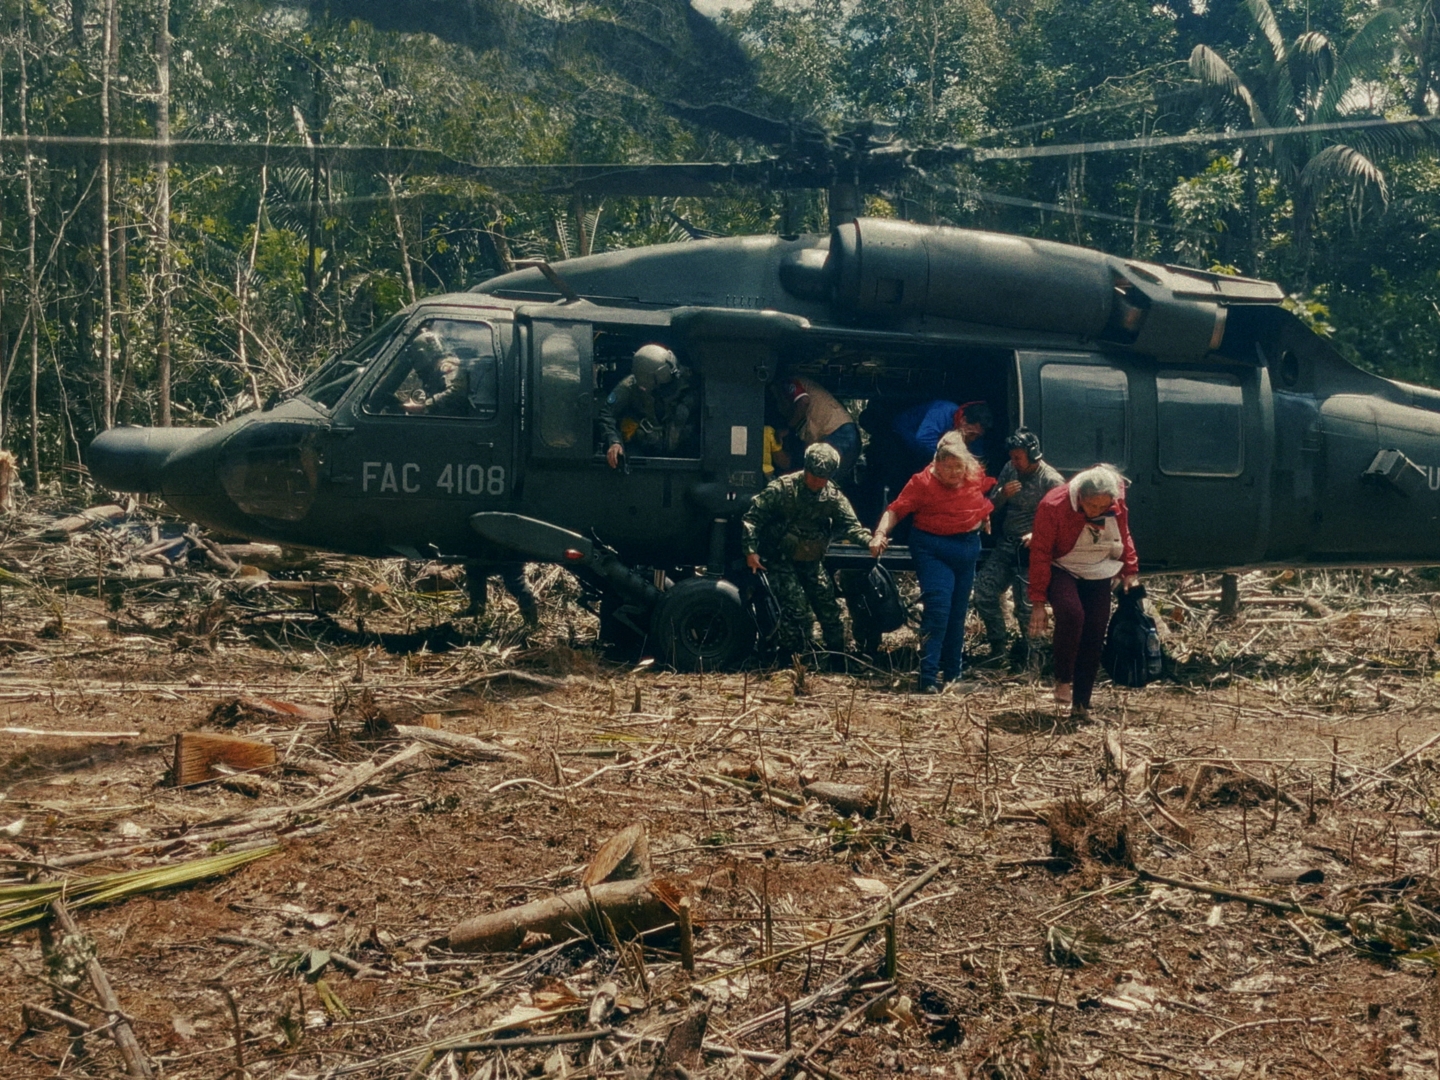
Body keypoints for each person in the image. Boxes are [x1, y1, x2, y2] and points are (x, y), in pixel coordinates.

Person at [869, 431, 995, 694]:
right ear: (936, 464)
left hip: (967, 548)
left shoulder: (974, 475)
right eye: (946, 467)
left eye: (958, 467)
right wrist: (880, 534)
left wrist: (984, 518)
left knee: (958, 613)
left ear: (967, 465)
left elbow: (979, 499)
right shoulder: (922, 483)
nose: (952, 473)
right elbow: (896, 509)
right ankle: (927, 677)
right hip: (933, 547)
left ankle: (953, 676)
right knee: (939, 609)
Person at [742, 442, 872, 670]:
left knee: (829, 608)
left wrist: (870, 541)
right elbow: (753, 517)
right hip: (781, 559)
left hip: (811, 560)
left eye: (822, 478)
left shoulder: (832, 496)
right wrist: (751, 551)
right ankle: (790, 658)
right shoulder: (783, 488)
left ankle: (837, 659)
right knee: (798, 610)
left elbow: (851, 526)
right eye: (813, 475)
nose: (816, 481)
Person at [1027, 464, 1140, 717]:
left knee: (1095, 628)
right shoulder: (1053, 505)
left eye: (1103, 507)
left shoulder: (1115, 501)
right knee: (1071, 614)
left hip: (1099, 567)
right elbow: (1041, 553)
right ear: (1080, 497)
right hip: (1062, 565)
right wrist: (1037, 603)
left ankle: (1082, 704)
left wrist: (1130, 570)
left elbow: (1124, 533)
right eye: (1092, 506)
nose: (1097, 511)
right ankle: (1063, 678)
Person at [972, 428, 1065, 668]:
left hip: (1033, 552)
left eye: (1018, 457)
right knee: (984, 592)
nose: (1014, 462)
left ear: (1033, 455)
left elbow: (1064, 520)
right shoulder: (1009, 469)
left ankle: (1034, 660)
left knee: (1027, 608)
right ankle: (998, 648)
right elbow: (990, 505)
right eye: (1012, 457)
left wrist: (1038, 534)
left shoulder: (1050, 480)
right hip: (1006, 545)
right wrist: (1003, 494)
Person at [599, 344, 698, 468]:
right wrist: (614, 442)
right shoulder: (629, 387)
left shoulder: (687, 379)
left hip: (682, 451)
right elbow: (607, 413)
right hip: (644, 449)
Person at [773, 375, 861, 482]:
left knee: (819, 478)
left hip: (837, 431)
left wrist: (789, 428)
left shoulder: (789, 382)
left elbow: (804, 401)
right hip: (843, 432)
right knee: (828, 481)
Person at [892, 399, 993, 471]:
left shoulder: (976, 431)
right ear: (963, 420)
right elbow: (923, 440)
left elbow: (976, 455)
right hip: (903, 436)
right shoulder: (942, 412)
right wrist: (952, 457)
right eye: (971, 434)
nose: (973, 439)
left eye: (977, 436)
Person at [401, 329, 472, 416]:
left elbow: (457, 391)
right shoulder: (435, 369)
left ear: (423, 354)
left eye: (417, 356)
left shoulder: (447, 366)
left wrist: (425, 406)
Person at [463, 560, 539, 628]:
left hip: (508, 553)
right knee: (475, 572)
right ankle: (476, 612)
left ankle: (531, 622)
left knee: (516, 583)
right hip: (485, 554)